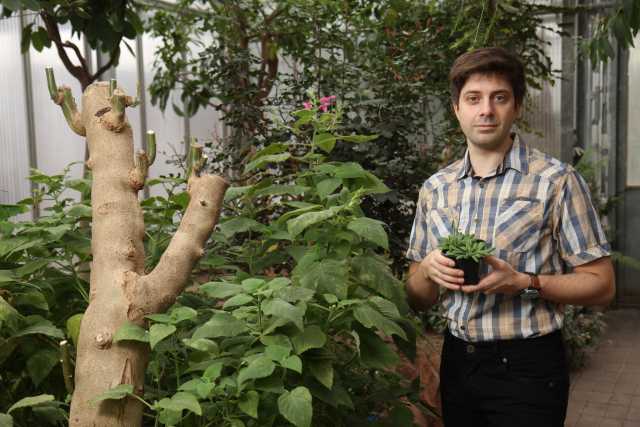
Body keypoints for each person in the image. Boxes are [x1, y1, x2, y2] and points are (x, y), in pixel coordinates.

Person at [405, 47, 615, 427]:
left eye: (499, 98)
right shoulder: (435, 189)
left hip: (528, 368)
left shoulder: (556, 181)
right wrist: (428, 272)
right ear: (456, 109)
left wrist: (525, 283)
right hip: (458, 363)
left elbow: (602, 285)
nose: (486, 110)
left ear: (516, 106)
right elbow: (416, 298)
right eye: (473, 98)